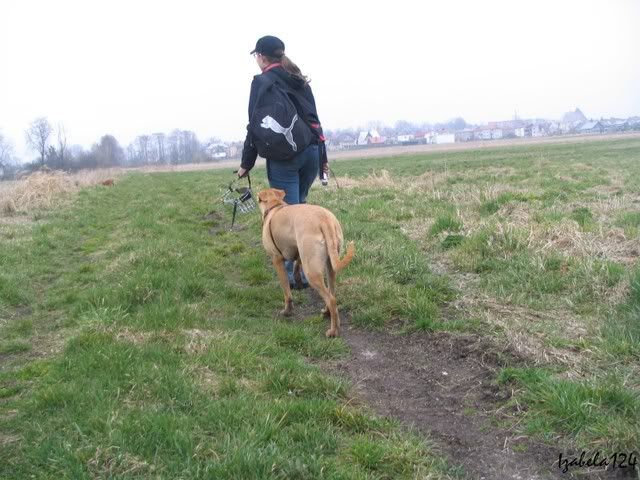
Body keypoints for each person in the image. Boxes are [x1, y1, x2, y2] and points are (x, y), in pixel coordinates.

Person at [237, 35, 329, 287]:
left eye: (255, 55)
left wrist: (246, 163)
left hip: (284, 157)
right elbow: (314, 119)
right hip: (310, 151)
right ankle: (308, 268)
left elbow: (254, 125)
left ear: (261, 57)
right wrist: (322, 156)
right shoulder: (298, 78)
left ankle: (295, 276)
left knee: (288, 217)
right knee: (300, 209)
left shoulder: (261, 82)